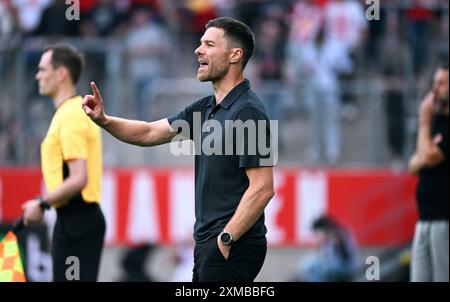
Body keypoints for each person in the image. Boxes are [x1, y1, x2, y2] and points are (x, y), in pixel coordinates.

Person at [82, 17, 275, 282]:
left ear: (235, 55)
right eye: (199, 43)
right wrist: (105, 120)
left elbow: (262, 187)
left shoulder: (248, 112)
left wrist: (226, 239)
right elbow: (148, 132)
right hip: (209, 244)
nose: (198, 50)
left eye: (209, 44)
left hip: (234, 244)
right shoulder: (205, 109)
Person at [21, 43, 105, 282]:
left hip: (77, 220)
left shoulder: (69, 115)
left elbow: (79, 178)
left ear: (61, 74)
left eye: (42, 69)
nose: (37, 75)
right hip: (75, 219)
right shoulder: (70, 113)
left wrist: (42, 203)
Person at [408, 64, 449, 282]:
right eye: (435, 83)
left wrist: (423, 121)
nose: (435, 89)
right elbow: (413, 164)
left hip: (444, 220)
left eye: (442, 83)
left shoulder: (434, 123)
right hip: (424, 219)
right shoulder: (436, 122)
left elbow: (427, 157)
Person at [295, 215, 359, 282]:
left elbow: (346, 258)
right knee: (308, 264)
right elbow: (322, 257)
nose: (317, 236)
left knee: (321, 267)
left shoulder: (340, 234)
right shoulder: (328, 239)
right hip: (335, 267)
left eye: (318, 233)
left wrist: (336, 241)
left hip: (346, 268)